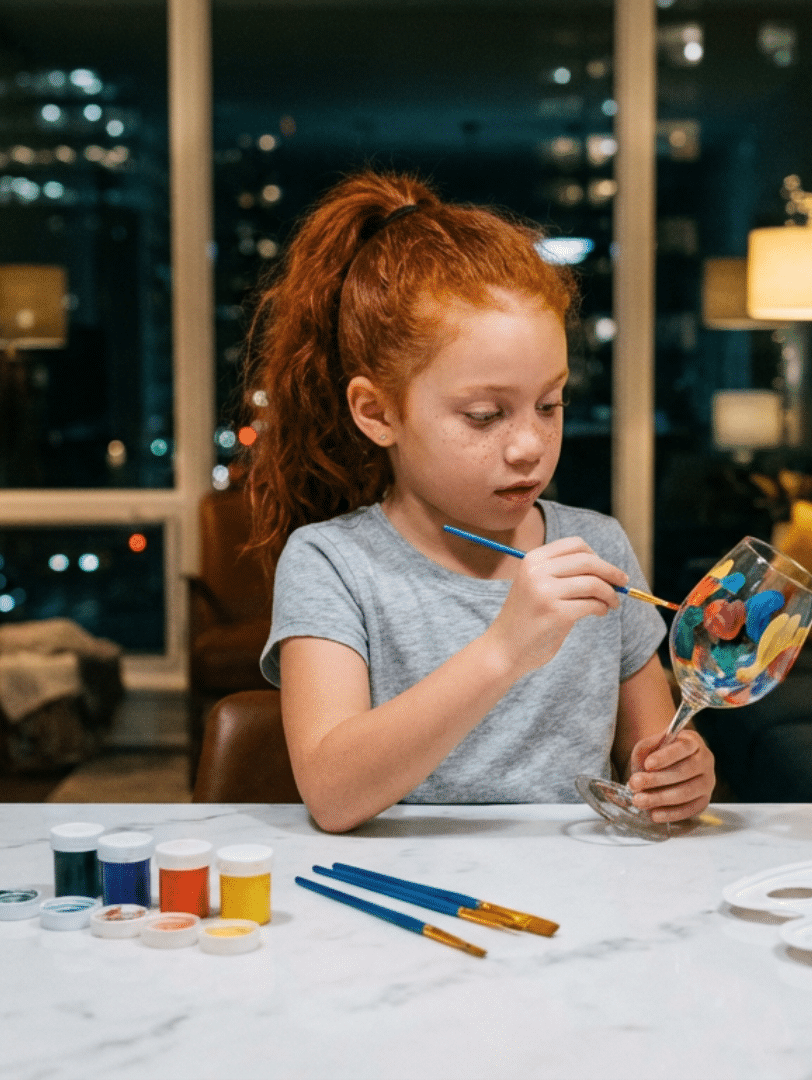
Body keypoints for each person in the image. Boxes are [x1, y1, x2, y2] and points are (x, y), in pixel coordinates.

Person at [247, 171, 716, 834]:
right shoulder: (333, 562)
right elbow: (332, 792)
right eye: (484, 414)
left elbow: (652, 751)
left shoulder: (598, 547)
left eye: (549, 405)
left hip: (577, 900)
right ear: (376, 412)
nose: (529, 446)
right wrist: (504, 648)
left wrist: (681, 774)